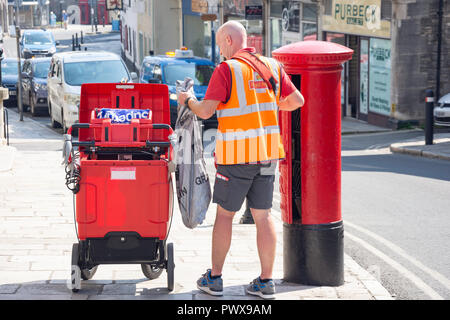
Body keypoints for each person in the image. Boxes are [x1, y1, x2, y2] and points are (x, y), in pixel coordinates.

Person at [177, 20, 304, 299]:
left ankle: (215, 278)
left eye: (221, 44)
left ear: (230, 41)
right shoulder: (271, 66)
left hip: (236, 156)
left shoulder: (227, 69)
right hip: (268, 154)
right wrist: (268, 105)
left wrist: (186, 100)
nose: (221, 51)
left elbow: (206, 111)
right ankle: (266, 282)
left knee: (225, 215)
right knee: (263, 216)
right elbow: (297, 101)